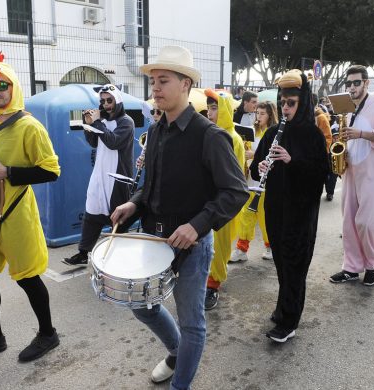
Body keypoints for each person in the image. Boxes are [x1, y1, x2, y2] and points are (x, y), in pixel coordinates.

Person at [111, 45, 249, 389]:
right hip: (154, 238)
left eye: (164, 80)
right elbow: (151, 185)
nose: (155, 88)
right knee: (141, 307)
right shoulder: (156, 130)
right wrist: (136, 204)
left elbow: (235, 192)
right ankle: (176, 352)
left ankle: (180, 384)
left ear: (186, 84)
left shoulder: (210, 136)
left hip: (191, 246)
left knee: (192, 324)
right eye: (153, 81)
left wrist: (197, 225)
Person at [0, 52, 61, 363]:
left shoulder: (30, 127)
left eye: (2, 85)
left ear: (14, 87)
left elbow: (51, 171)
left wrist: (10, 173)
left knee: (27, 277)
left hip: (17, 214)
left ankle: (48, 334)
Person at [251, 69, 329, 343]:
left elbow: (322, 175)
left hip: (300, 213)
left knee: (295, 266)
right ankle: (285, 307)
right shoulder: (273, 132)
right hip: (275, 210)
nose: (285, 108)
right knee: (282, 264)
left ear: (302, 102)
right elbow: (253, 170)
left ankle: (289, 321)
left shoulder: (313, 135)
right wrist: (260, 165)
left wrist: (291, 161)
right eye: (283, 102)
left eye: (291, 103)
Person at [329, 65, 374, 286]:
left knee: (369, 223)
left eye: (356, 82)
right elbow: (345, 135)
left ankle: (371, 265)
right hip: (352, 171)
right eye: (349, 83)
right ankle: (351, 268)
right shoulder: (347, 107)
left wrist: (361, 134)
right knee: (349, 222)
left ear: (366, 83)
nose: (352, 87)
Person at [63, 84, 135, 266]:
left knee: (117, 217)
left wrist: (96, 123)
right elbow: (94, 142)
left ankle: (119, 256)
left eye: (109, 100)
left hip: (117, 177)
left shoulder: (126, 122)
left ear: (117, 101)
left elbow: (113, 142)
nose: (105, 104)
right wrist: (88, 125)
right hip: (100, 173)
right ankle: (83, 253)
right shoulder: (102, 121)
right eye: (102, 101)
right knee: (91, 212)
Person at [203, 88, 246, 310]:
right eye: (208, 108)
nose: (209, 113)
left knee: (220, 247)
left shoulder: (233, 139)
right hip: (207, 200)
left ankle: (213, 285)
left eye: (214, 108)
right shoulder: (208, 133)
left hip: (224, 202)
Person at [230, 101, 278, 263]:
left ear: (270, 115)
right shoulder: (253, 130)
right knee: (246, 214)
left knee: (265, 216)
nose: (258, 116)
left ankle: (270, 245)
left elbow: (273, 154)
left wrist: (255, 154)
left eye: (262, 113)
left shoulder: (274, 133)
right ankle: (241, 248)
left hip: (267, 180)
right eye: (257, 113)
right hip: (251, 177)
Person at [312, 93, 333, 201]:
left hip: (320, 154)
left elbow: (328, 137)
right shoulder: (305, 116)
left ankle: (329, 192)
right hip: (309, 155)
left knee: (327, 175)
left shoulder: (320, 117)